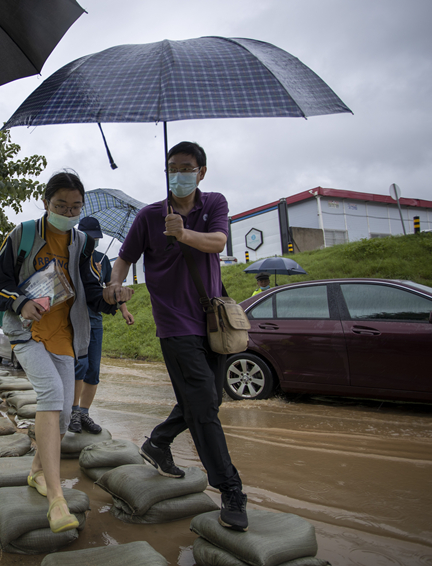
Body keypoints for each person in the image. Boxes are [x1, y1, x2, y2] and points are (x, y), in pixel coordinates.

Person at [109, 141, 249, 532]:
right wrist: (116, 283)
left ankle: (158, 442)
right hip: (175, 325)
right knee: (203, 406)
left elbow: (218, 242)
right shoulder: (149, 216)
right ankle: (231, 489)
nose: (179, 174)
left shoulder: (214, 203)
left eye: (186, 168)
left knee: (209, 399)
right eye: (172, 167)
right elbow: (125, 258)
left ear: (201, 172)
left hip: (212, 321)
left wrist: (184, 233)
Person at [0, 171, 132, 533]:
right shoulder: (23, 234)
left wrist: (110, 296)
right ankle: (56, 498)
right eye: (60, 205)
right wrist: (20, 302)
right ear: (45, 202)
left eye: (75, 207)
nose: (68, 212)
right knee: (51, 396)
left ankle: (37, 471)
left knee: (65, 415)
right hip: (28, 332)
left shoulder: (81, 242)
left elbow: (89, 290)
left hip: (65, 334)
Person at [69, 217, 134, 434]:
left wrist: (124, 310)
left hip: (95, 321)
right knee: (79, 365)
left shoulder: (102, 259)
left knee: (93, 369)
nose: (94, 241)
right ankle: (73, 411)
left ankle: (84, 413)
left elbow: (112, 288)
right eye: (90, 237)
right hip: (74, 319)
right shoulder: (71, 256)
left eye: (96, 238)